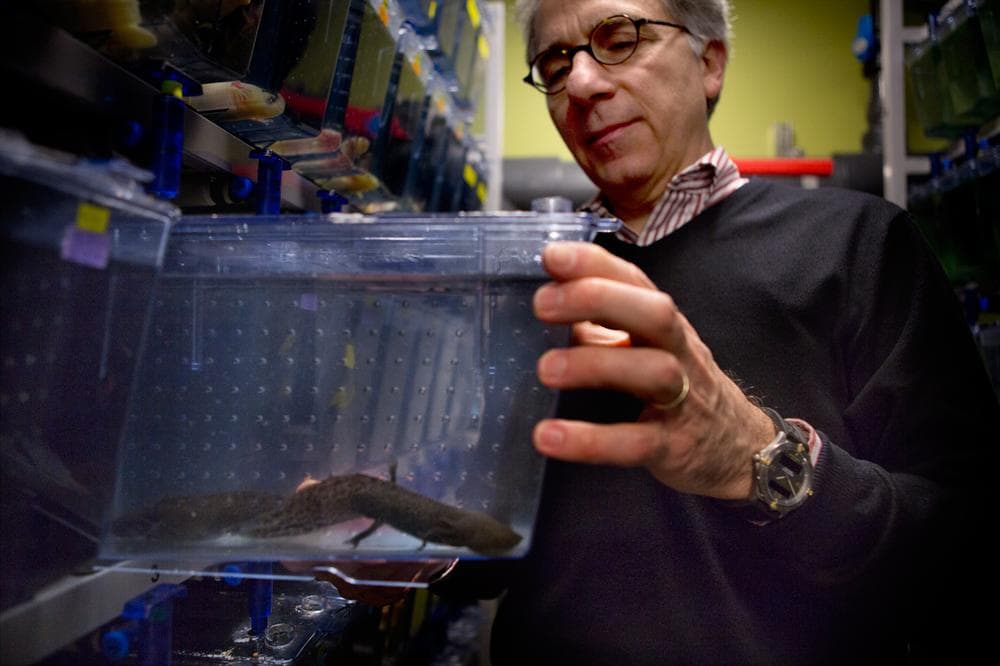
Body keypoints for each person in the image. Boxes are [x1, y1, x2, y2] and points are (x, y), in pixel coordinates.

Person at [428, 0, 1000, 663]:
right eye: (555, 63)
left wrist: (764, 460)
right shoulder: (531, 284)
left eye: (618, 38)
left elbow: (964, 558)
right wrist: (408, 541)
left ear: (710, 63)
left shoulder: (861, 247)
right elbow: (501, 549)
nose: (581, 84)